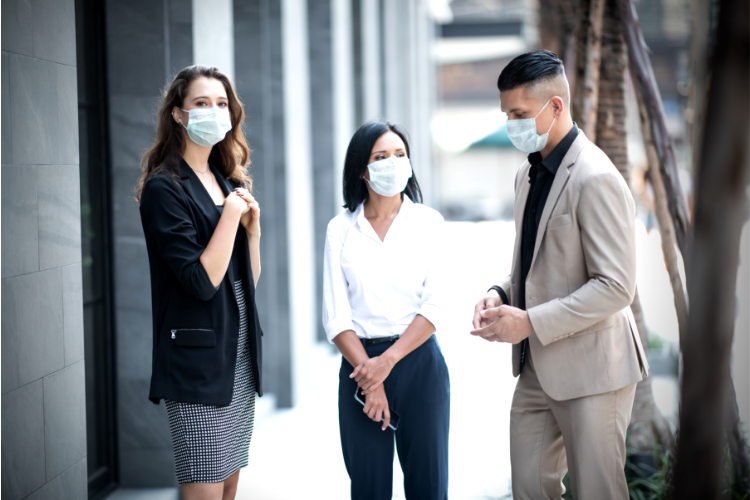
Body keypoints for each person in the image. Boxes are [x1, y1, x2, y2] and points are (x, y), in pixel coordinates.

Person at [470, 50, 649, 500]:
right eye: (507, 113)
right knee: (528, 489)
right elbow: (536, 266)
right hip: (536, 369)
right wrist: (499, 292)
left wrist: (528, 322)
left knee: (597, 493)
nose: (511, 123)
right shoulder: (526, 177)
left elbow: (616, 287)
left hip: (595, 371)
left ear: (555, 107)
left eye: (519, 114)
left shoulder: (597, 177)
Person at [136, 65, 263, 500]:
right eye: (201, 103)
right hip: (195, 366)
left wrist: (253, 233)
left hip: (238, 357)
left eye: (222, 103)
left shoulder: (227, 180)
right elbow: (202, 282)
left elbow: (248, 281)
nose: (214, 111)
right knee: (205, 491)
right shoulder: (164, 189)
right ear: (178, 114)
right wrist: (230, 216)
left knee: (228, 487)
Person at [323, 121, 450, 500]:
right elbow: (335, 316)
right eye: (381, 156)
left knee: (429, 486)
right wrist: (372, 378)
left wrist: (387, 363)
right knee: (368, 489)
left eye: (400, 155)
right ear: (363, 168)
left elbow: (436, 305)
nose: (392, 163)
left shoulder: (429, 223)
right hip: (360, 369)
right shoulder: (340, 229)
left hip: (419, 364)